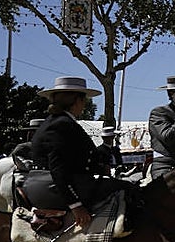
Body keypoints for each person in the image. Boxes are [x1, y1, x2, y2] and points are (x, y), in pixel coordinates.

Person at [30, 77, 129, 230]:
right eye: (84, 100)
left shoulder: (57, 122)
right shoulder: (62, 125)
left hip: (68, 182)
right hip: (59, 187)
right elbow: (58, 169)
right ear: (77, 101)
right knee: (128, 189)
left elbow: (81, 158)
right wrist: (75, 205)